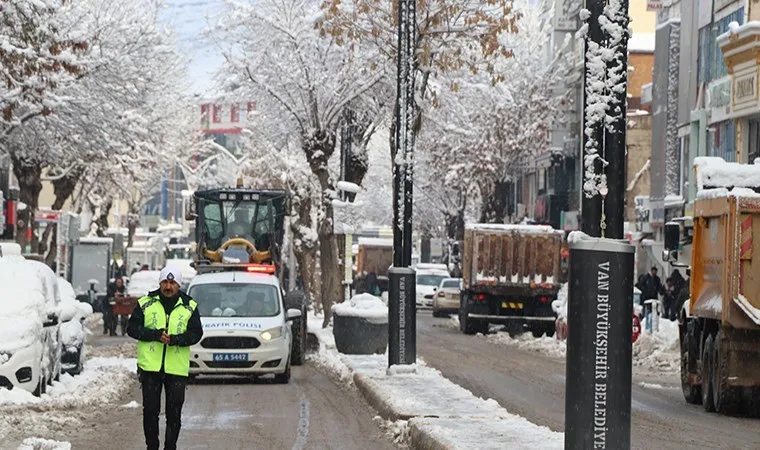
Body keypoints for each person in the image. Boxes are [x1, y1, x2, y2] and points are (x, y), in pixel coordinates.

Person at [127, 267, 203, 450]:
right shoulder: (146, 303)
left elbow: (196, 333)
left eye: (172, 283)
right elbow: (132, 328)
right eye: (165, 283)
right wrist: (154, 335)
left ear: (179, 285)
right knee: (151, 412)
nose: (168, 287)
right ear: (160, 283)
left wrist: (177, 340)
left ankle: (171, 446)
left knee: (174, 414)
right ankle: (151, 446)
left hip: (176, 369)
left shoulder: (189, 306)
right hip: (150, 369)